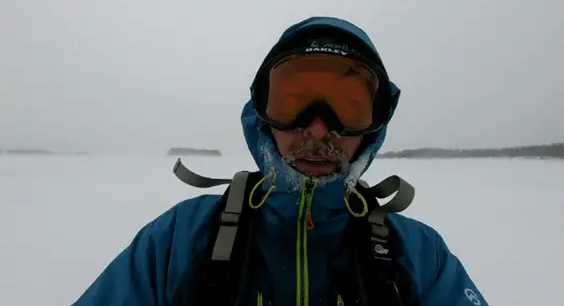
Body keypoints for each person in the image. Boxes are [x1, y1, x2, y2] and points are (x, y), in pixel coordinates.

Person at [73, 17, 488, 306]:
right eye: (292, 104)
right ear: (262, 115)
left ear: (373, 128)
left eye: (349, 107)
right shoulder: (178, 239)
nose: (319, 132)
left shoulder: (419, 254)